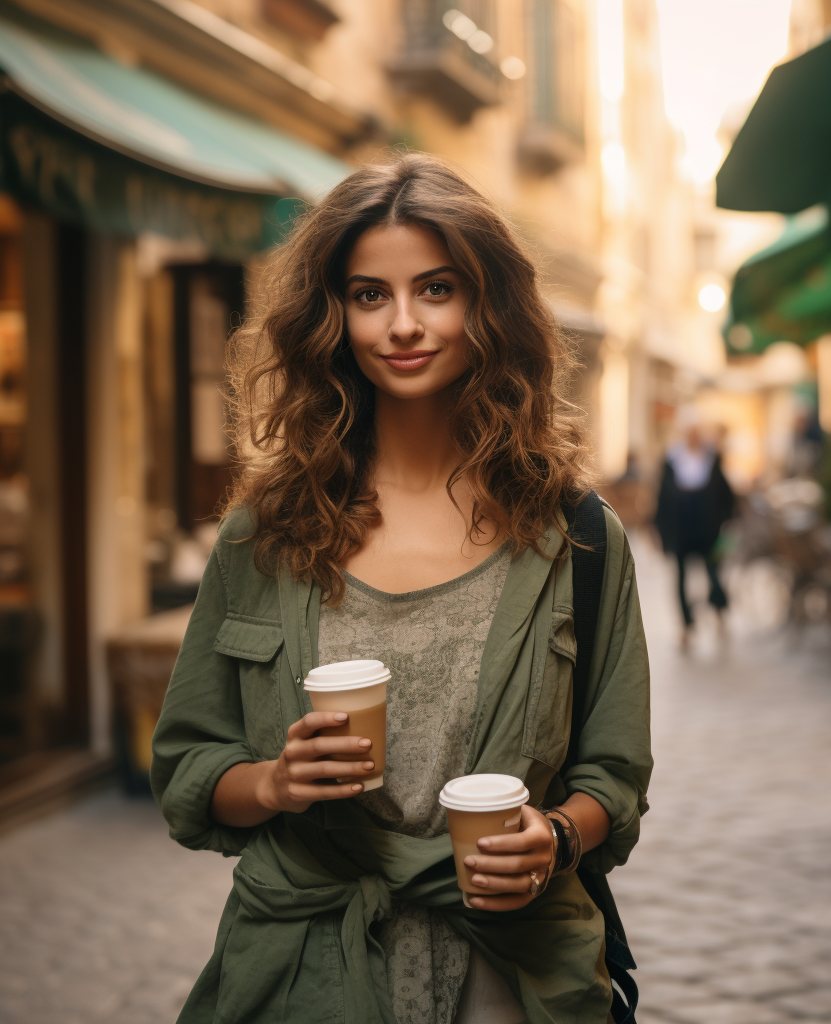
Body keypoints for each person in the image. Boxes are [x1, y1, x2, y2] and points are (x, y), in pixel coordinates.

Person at [150, 155, 652, 1024]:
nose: (404, 325)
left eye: (437, 288)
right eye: (369, 294)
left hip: (513, 973)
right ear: (332, 314)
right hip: (305, 972)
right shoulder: (265, 533)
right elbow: (190, 766)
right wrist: (273, 783)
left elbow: (613, 772)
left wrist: (557, 836)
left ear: (486, 303)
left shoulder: (577, 536)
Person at [654, 420, 735, 649]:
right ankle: (686, 625)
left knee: (714, 573)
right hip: (680, 527)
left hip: (707, 527)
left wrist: (727, 521)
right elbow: (662, 497)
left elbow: (725, 494)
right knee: (680, 577)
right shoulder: (671, 461)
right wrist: (658, 528)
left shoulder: (712, 460)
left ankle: (719, 612)